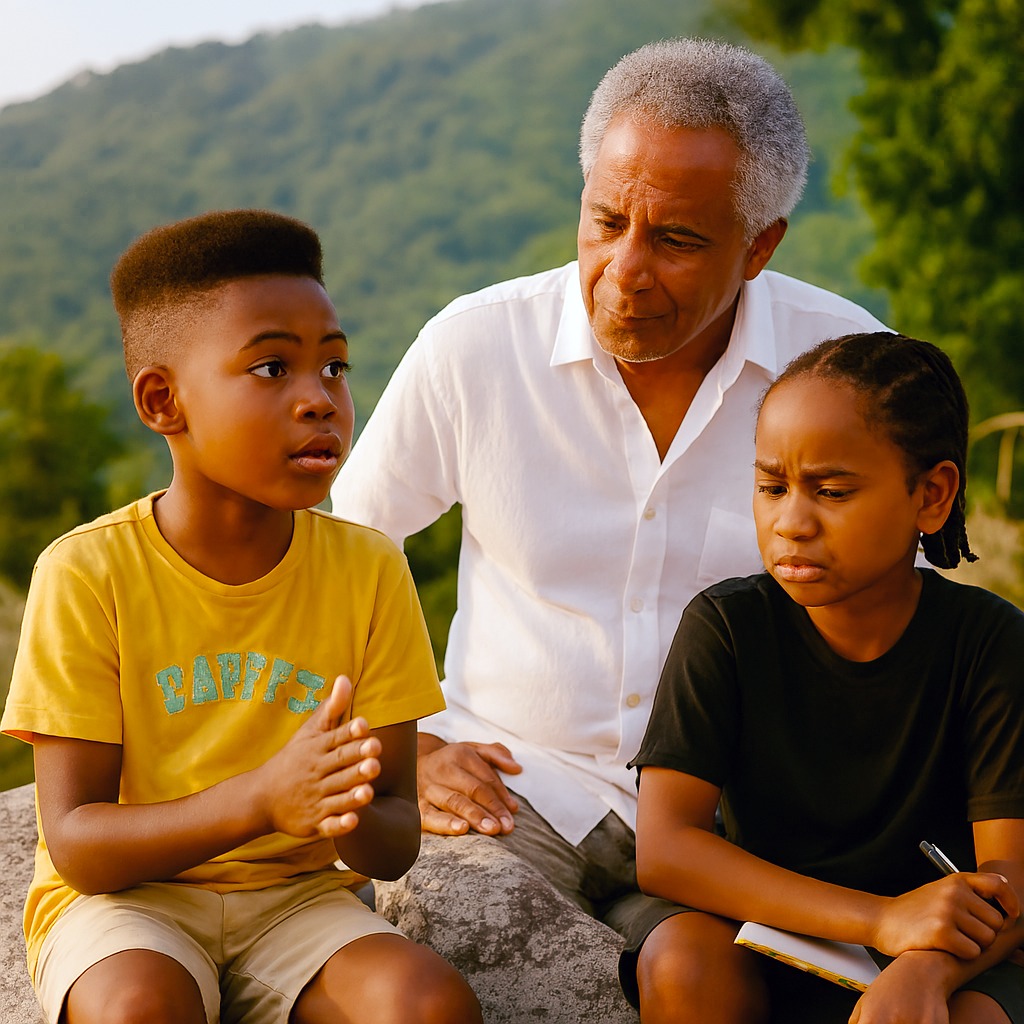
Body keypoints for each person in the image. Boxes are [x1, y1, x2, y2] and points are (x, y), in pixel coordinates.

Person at [330, 37, 886, 1019]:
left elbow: (898, 619)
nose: (623, 272)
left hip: (729, 824)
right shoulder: (475, 345)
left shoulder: (848, 372)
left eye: (674, 239)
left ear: (759, 246)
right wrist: (405, 745)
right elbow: (337, 555)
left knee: (705, 984)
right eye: (605, 221)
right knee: (454, 943)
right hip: (506, 784)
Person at [0, 210, 482, 1024]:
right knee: (139, 1009)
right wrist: (262, 799)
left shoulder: (367, 568)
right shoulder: (88, 573)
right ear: (164, 402)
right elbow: (79, 843)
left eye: (335, 367)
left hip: (297, 900)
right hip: (129, 908)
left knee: (426, 1004)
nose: (319, 401)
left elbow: (396, 839)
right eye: (271, 369)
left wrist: (346, 801)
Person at [626, 331, 1024, 1024]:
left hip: (946, 948)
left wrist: (924, 968)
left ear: (932, 496)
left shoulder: (988, 641)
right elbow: (665, 850)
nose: (791, 523)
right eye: (771, 487)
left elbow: (1011, 875)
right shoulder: (727, 628)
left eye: (832, 491)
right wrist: (877, 921)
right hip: (776, 928)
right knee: (682, 960)